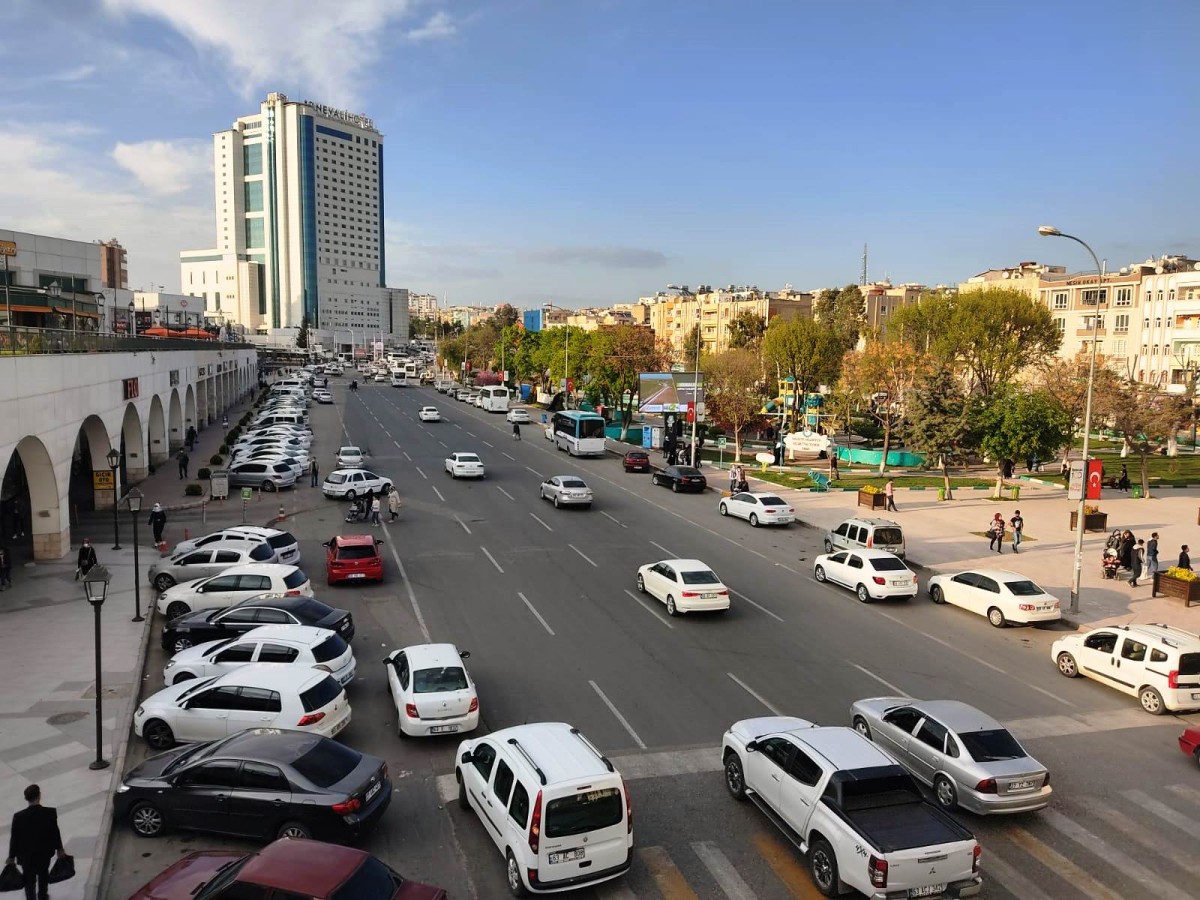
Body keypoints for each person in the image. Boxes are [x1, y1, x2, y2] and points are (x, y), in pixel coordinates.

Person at [6, 783, 65, 900]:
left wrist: (11, 856)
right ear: (39, 795)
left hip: (26, 857)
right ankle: (43, 896)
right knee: (43, 876)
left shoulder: (18, 817)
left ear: (26, 798)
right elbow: (55, 833)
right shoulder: (49, 813)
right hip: (44, 854)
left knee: (29, 881)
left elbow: (15, 838)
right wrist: (59, 848)